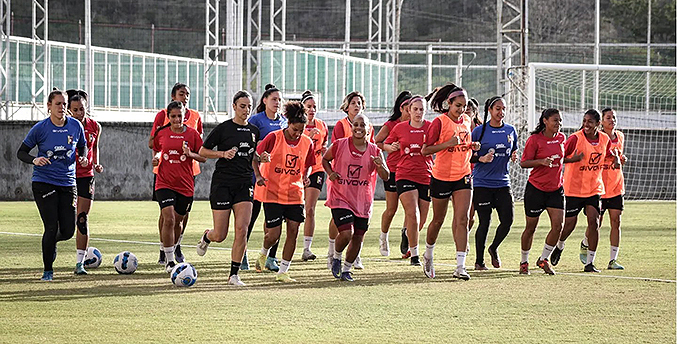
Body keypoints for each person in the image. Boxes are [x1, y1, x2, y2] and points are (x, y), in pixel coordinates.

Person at [17, 88, 88, 281]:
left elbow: (82, 146)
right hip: (43, 182)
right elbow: (21, 152)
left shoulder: (75, 126)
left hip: (67, 183)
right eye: (58, 104)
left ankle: (51, 242)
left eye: (64, 104)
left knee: (67, 230)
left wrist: (82, 157)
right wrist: (35, 160)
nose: (62, 108)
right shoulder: (40, 128)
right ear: (49, 106)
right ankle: (48, 271)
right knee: (50, 226)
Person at [196, 91, 260, 286]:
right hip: (222, 184)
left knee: (242, 229)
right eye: (242, 106)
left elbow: (252, 155)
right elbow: (202, 151)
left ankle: (234, 275)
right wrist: (223, 154)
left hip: (244, 184)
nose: (246, 110)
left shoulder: (254, 131)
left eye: (249, 106)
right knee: (220, 235)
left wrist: (260, 160)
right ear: (234, 106)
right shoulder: (223, 128)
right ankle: (207, 236)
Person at [420, 84, 480, 280]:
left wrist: (473, 146)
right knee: (438, 220)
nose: (461, 109)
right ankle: (428, 254)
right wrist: (447, 144)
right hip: (441, 177)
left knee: (462, 219)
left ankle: (460, 266)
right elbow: (425, 150)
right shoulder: (439, 122)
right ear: (449, 104)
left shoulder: (467, 121)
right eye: (458, 105)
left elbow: (464, 144)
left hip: (463, 176)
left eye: (464, 106)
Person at [551, 109, 621, 272]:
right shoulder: (575, 138)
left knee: (594, 222)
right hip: (573, 189)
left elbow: (611, 153)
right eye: (584, 121)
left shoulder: (604, 139)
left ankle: (590, 262)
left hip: (594, 189)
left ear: (598, 124)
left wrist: (617, 159)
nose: (586, 124)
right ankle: (560, 245)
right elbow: (560, 157)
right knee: (569, 224)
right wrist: (573, 159)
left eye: (590, 121)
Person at [252, 101, 314, 282]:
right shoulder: (274, 137)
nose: (298, 134)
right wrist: (258, 174)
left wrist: (306, 175)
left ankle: (284, 271)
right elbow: (255, 155)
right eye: (295, 129)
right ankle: (264, 252)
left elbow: (308, 164)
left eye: (301, 130)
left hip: (295, 194)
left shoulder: (307, 142)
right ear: (288, 124)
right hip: (273, 192)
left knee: (293, 230)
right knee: (273, 235)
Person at [324, 114, 389, 281]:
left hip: (362, 201)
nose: (359, 128)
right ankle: (336, 257)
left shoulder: (375, 150)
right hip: (341, 197)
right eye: (356, 124)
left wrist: (379, 165)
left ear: (369, 129)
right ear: (351, 127)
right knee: (346, 233)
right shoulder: (339, 145)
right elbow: (325, 159)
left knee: (358, 237)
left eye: (362, 125)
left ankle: (346, 270)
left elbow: (386, 175)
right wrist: (331, 173)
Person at [149, 83, 203, 265]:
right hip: (165, 174)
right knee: (167, 216)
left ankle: (175, 244)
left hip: (188, 174)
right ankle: (165, 251)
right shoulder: (161, 118)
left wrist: (191, 154)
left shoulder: (195, 118)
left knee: (181, 217)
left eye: (188, 94)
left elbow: (201, 150)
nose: (185, 97)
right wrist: (156, 158)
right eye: (182, 94)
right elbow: (155, 144)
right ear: (173, 97)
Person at [326, 91, 373, 270]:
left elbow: (372, 149)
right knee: (341, 225)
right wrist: (332, 172)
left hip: (361, 187)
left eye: (359, 102)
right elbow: (334, 151)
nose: (356, 105)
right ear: (347, 106)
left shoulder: (368, 126)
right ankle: (333, 251)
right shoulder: (340, 126)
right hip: (342, 182)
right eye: (353, 102)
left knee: (357, 232)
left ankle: (354, 256)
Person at [383, 96, 432, 266]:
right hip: (404, 174)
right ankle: (415, 255)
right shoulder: (400, 128)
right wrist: (392, 147)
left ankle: (407, 233)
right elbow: (385, 144)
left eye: (421, 109)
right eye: (415, 109)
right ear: (409, 110)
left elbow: (439, 146)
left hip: (426, 175)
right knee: (413, 213)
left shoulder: (431, 127)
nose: (418, 112)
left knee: (422, 219)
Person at [471, 96, 518, 270]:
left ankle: (494, 247)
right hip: (482, 183)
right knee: (485, 222)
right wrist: (480, 158)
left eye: (503, 109)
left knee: (508, 220)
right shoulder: (479, 131)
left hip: (503, 183)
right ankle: (479, 261)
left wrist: (514, 156)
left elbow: (513, 150)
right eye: (497, 108)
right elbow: (468, 155)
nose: (501, 112)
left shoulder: (511, 130)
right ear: (490, 110)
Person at [518, 108, 566, 275]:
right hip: (536, 189)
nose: (558, 124)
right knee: (531, 228)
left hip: (556, 189)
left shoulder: (561, 138)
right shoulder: (534, 140)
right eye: (555, 120)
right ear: (545, 121)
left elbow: (562, 159)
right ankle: (524, 261)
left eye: (560, 120)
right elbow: (523, 163)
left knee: (558, 226)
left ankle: (543, 259)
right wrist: (541, 162)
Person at [581, 107, 627, 270]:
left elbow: (619, 156)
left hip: (616, 186)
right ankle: (586, 243)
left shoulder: (620, 136)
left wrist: (622, 159)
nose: (612, 120)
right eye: (608, 117)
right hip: (599, 187)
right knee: (596, 224)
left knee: (616, 221)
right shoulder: (597, 138)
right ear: (602, 121)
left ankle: (613, 260)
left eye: (614, 117)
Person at [247, 83, 287, 272]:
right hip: (258, 177)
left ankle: (271, 257)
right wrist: (258, 154)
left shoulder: (285, 122)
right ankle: (242, 254)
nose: (277, 103)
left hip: (279, 179)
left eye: (279, 100)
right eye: (274, 99)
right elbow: (249, 146)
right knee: (250, 217)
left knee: (275, 222)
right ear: (264, 101)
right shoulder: (256, 120)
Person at [67, 90, 104, 275]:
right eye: (75, 110)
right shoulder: (66, 126)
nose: (80, 113)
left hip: (86, 175)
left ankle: (79, 263)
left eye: (82, 109)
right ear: (69, 111)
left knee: (82, 219)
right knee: (64, 222)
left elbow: (94, 147)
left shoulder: (95, 126)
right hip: (65, 176)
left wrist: (95, 163)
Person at [374, 91, 412, 257]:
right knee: (391, 208)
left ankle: (406, 235)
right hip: (394, 170)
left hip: (411, 171)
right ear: (401, 108)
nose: (412, 111)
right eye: (408, 107)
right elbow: (377, 141)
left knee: (411, 208)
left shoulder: (416, 124)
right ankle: (383, 237)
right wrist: (388, 147)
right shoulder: (391, 124)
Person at [300, 90, 328, 262]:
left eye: (314, 107)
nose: (312, 110)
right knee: (293, 212)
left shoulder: (321, 125)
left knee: (310, 209)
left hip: (316, 169)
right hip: (296, 171)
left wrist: (325, 147)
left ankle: (307, 249)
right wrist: (307, 139)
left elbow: (324, 143)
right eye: (308, 107)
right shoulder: (296, 125)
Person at [466, 98, 482, 238]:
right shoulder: (459, 127)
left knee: (472, 216)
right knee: (466, 213)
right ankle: (462, 239)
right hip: (463, 172)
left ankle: (465, 233)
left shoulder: (481, 130)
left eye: (468, 109)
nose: (465, 111)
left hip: (479, 174)